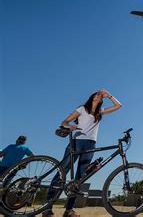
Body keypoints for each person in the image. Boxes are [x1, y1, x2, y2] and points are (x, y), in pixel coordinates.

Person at [43, 89, 122, 217]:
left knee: (79, 178)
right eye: (98, 94)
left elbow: (119, 106)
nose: (100, 96)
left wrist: (109, 95)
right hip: (76, 142)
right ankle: (47, 207)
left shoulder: (99, 112)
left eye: (101, 96)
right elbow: (64, 122)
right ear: (92, 97)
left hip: (90, 144)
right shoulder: (82, 109)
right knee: (62, 171)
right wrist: (70, 126)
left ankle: (69, 210)